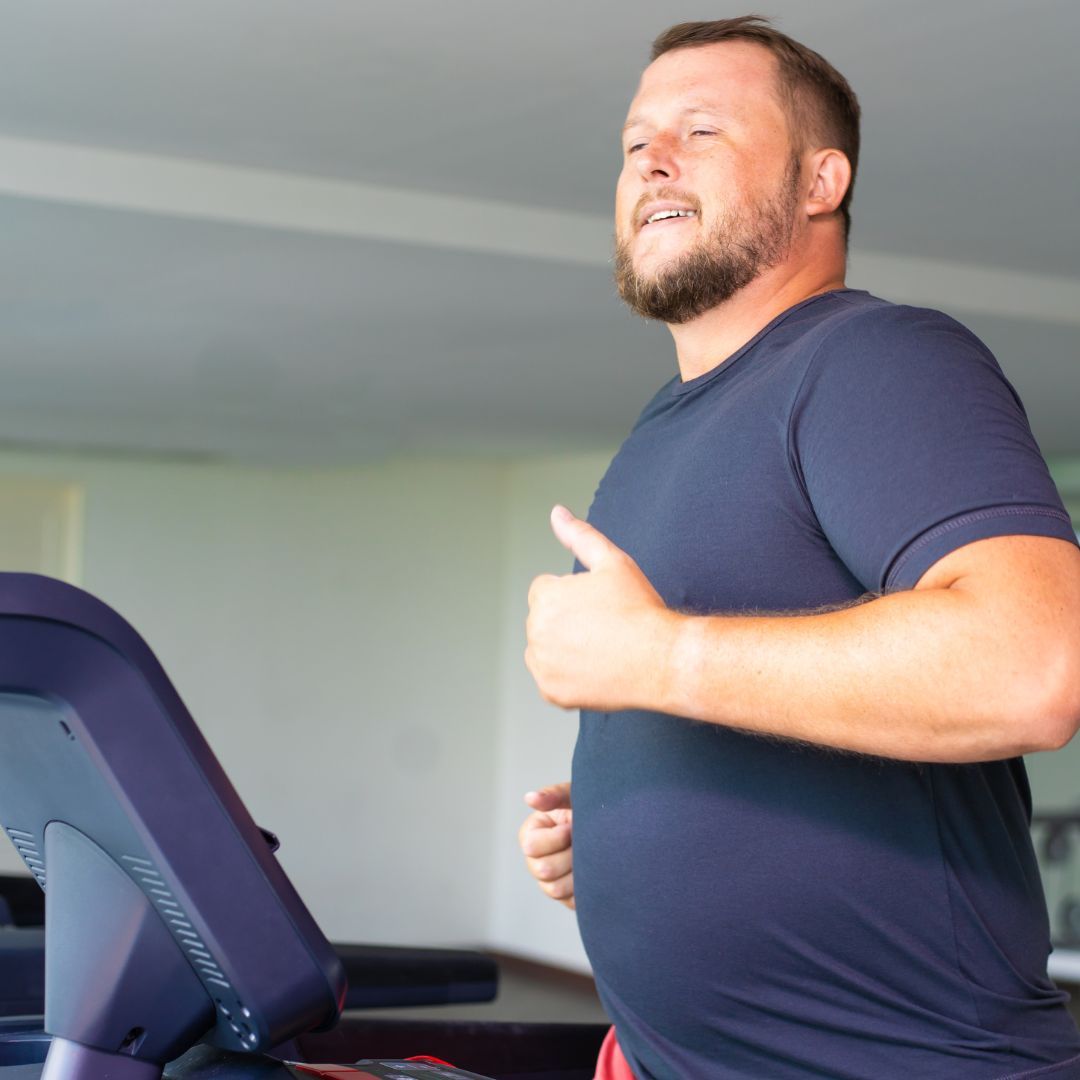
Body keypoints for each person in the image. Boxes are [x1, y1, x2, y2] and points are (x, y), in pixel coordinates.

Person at [519, 16, 1080, 1080]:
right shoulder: (668, 425)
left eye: (702, 131)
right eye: (635, 142)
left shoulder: (875, 361)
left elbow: (1036, 662)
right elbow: (767, 699)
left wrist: (662, 660)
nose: (651, 160)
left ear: (822, 181)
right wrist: (636, 828)